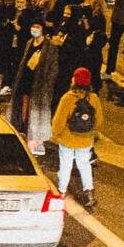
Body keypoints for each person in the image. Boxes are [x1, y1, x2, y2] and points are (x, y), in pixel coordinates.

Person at [49, 69, 100, 201]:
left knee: (66, 165)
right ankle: (89, 192)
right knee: (84, 165)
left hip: (68, 139)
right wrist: (90, 132)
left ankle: (62, 191)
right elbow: (99, 120)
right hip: (85, 140)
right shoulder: (94, 98)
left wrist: (55, 135)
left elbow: (58, 121)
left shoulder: (68, 98)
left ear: (74, 80)